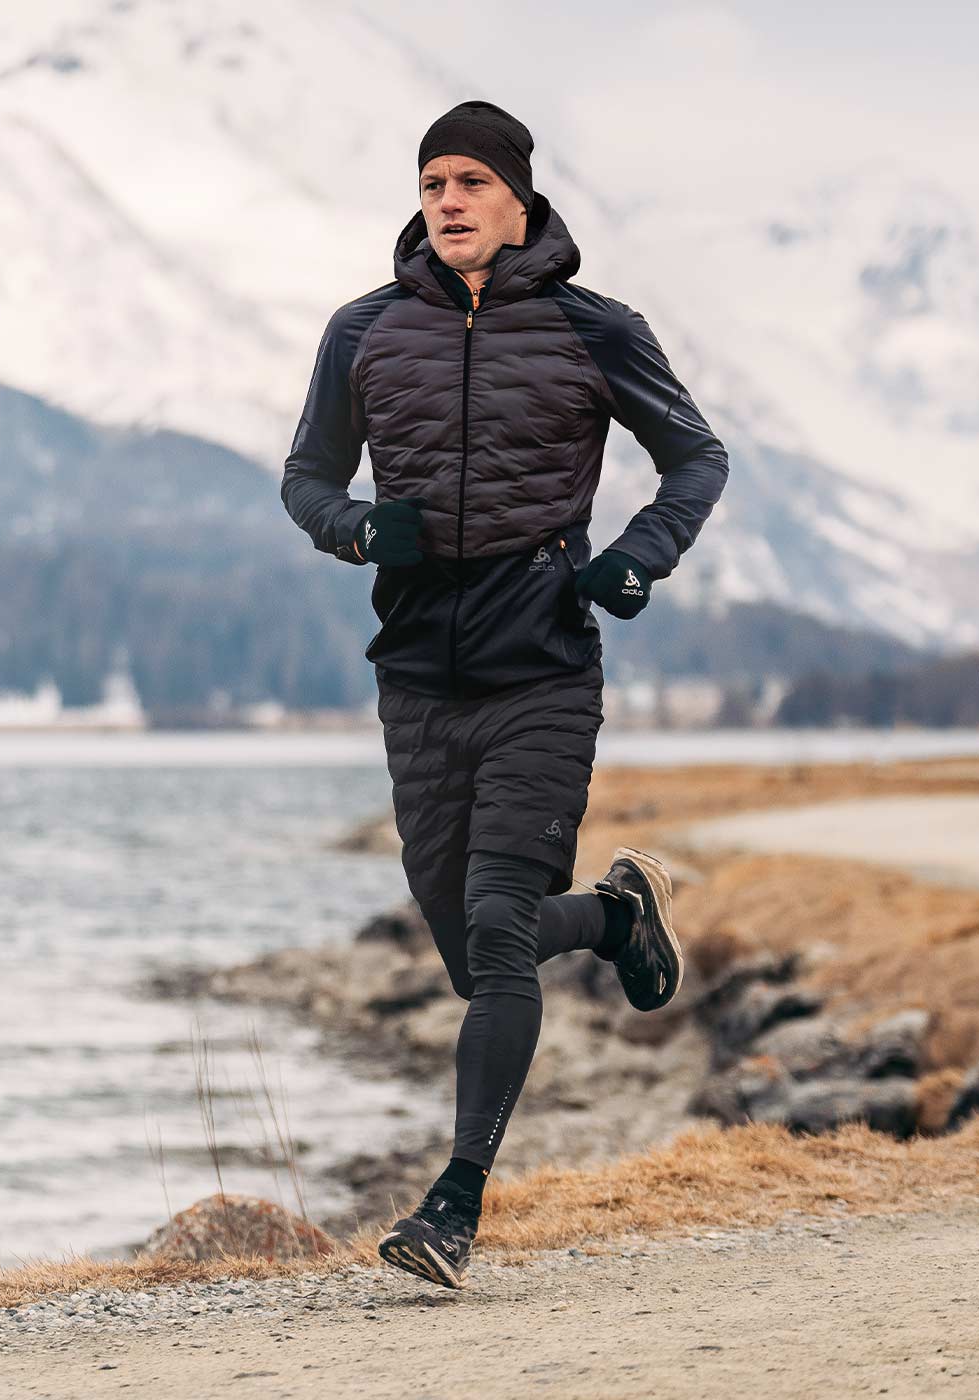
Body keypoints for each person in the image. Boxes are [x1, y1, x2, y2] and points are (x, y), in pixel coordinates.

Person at [279, 99, 729, 1290]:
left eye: (472, 180)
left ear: (519, 194)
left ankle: (453, 1204)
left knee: (494, 922)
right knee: (481, 957)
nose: (450, 201)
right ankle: (622, 915)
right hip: (417, 675)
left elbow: (698, 456)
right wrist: (360, 527)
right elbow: (306, 477)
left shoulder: (595, 328)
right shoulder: (363, 331)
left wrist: (637, 555)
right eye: (433, 183)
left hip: (543, 666)